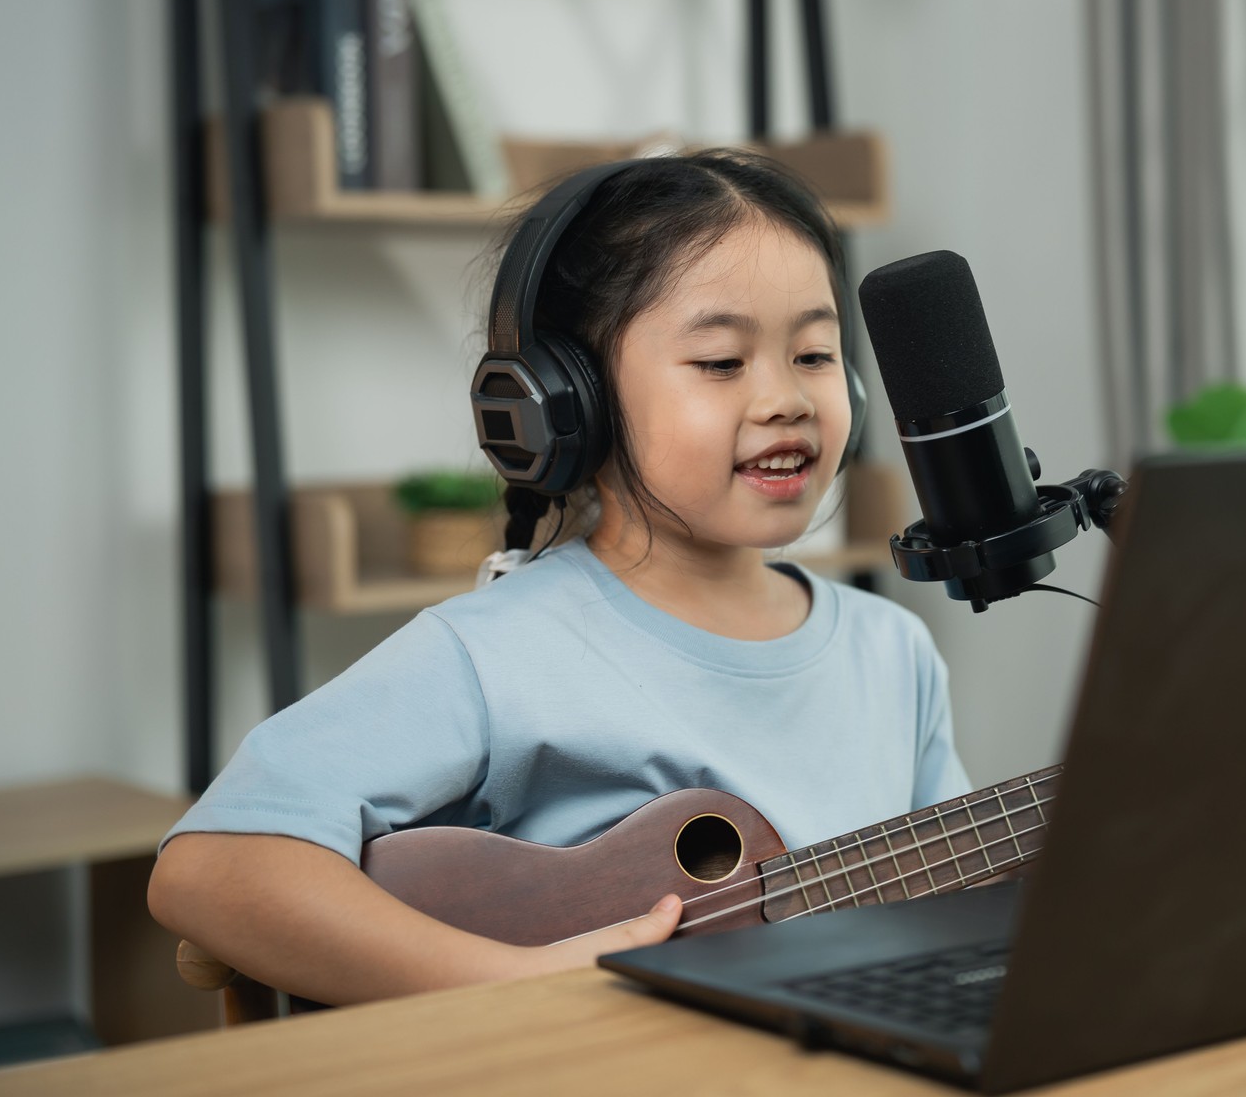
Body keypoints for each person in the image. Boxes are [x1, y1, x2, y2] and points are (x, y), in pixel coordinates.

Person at [148, 152, 970, 1006]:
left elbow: (965, 909)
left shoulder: (893, 650)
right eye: (722, 362)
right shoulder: (500, 654)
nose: (786, 398)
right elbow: (208, 870)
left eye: (814, 354)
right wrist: (517, 984)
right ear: (567, 403)